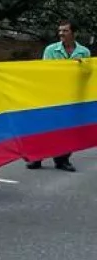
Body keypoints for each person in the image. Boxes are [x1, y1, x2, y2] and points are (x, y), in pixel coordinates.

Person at [28, 21, 89, 172]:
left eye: (65, 31)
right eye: (60, 31)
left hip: (73, 96)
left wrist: (82, 67)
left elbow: (88, 74)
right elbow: (46, 71)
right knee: (44, 127)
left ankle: (62, 160)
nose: (61, 33)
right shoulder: (51, 49)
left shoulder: (84, 52)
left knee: (67, 129)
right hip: (52, 95)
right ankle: (36, 157)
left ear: (74, 33)